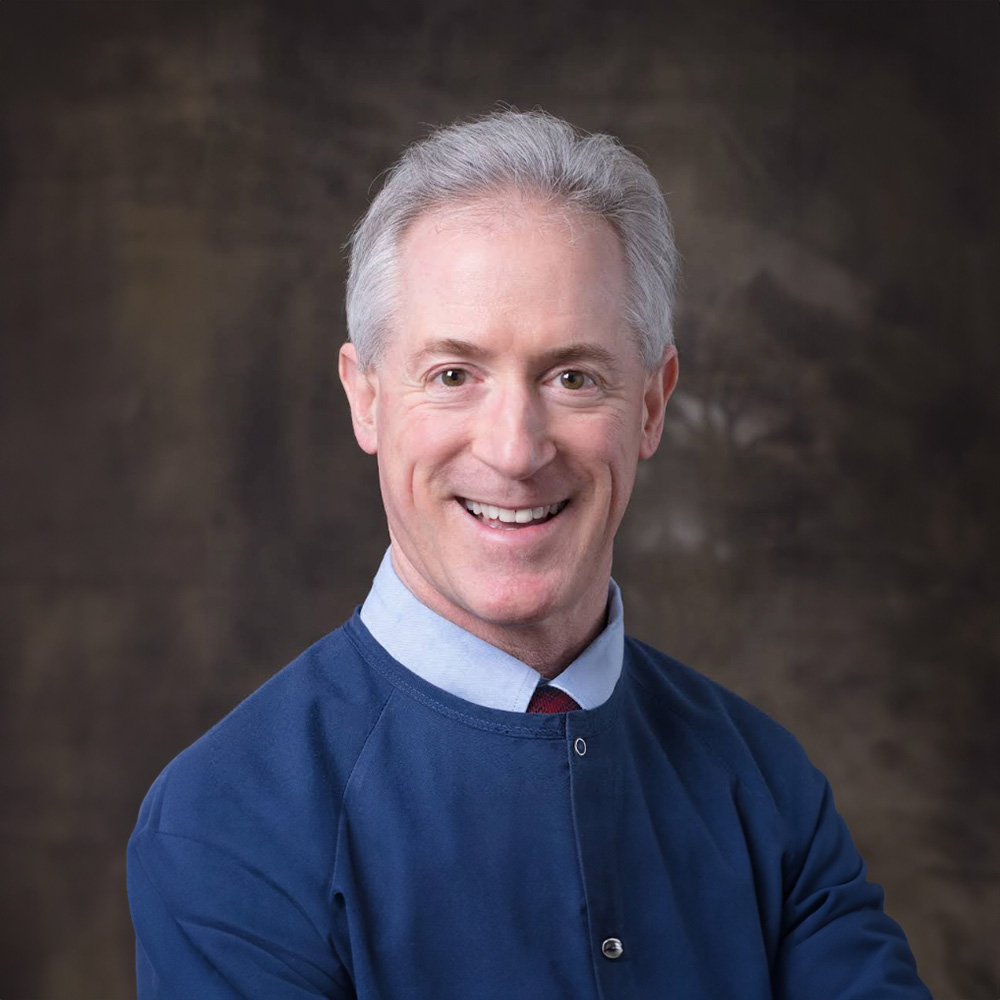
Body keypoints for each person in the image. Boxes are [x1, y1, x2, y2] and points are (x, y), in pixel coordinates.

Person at [127, 110, 932, 999]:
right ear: (366, 399)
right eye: (453, 375)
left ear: (654, 405)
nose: (515, 450)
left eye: (572, 376)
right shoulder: (226, 819)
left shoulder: (765, 784)